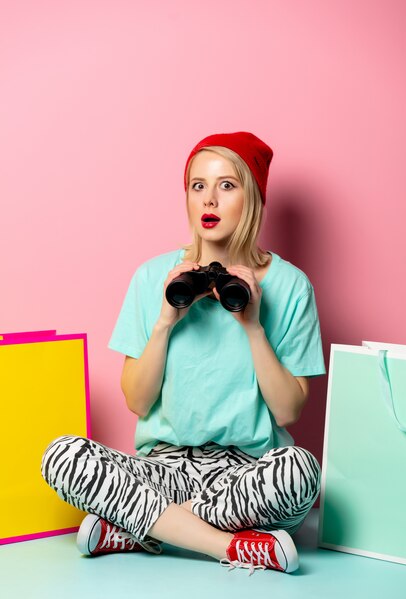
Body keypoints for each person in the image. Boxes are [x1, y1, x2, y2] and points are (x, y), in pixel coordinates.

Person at [41, 131, 326, 575]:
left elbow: (288, 411)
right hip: (163, 470)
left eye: (227, 185)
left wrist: (252, 326)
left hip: (245, 476)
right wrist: (165, 321)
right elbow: (137, 401)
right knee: (62, 454)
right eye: (198, 186)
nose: (209, 200)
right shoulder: (153, 275)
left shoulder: (291, 286)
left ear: (253, 197)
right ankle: (228, 547)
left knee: (300, 472)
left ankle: (140, 527)